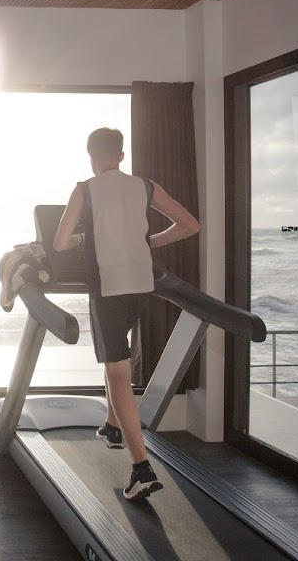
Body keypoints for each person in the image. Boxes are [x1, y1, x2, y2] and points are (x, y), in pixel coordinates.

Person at [52, 127, 199, 501]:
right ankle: (112, 426)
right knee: (115, 355)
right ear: (120, 155)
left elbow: (60, 242)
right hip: (140, 286)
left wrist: (84, 238)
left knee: (117, 371)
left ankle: (140, 469)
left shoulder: (84, 189)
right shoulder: (146, 186)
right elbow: (189, 226)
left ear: (91, 157)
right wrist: (147, 243)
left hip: (108, 289)